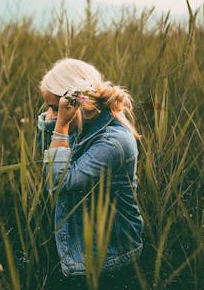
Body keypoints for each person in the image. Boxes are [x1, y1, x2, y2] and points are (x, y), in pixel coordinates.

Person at [37, 58, 143, 289]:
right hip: (81, 245)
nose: (50, 116)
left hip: (110, 257)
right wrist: (58, 123)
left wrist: (61, 127)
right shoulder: (81, 122)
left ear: (78, 105)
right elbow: (46, 160)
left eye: (55, 108)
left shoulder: (114, 142)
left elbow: (60, 183)